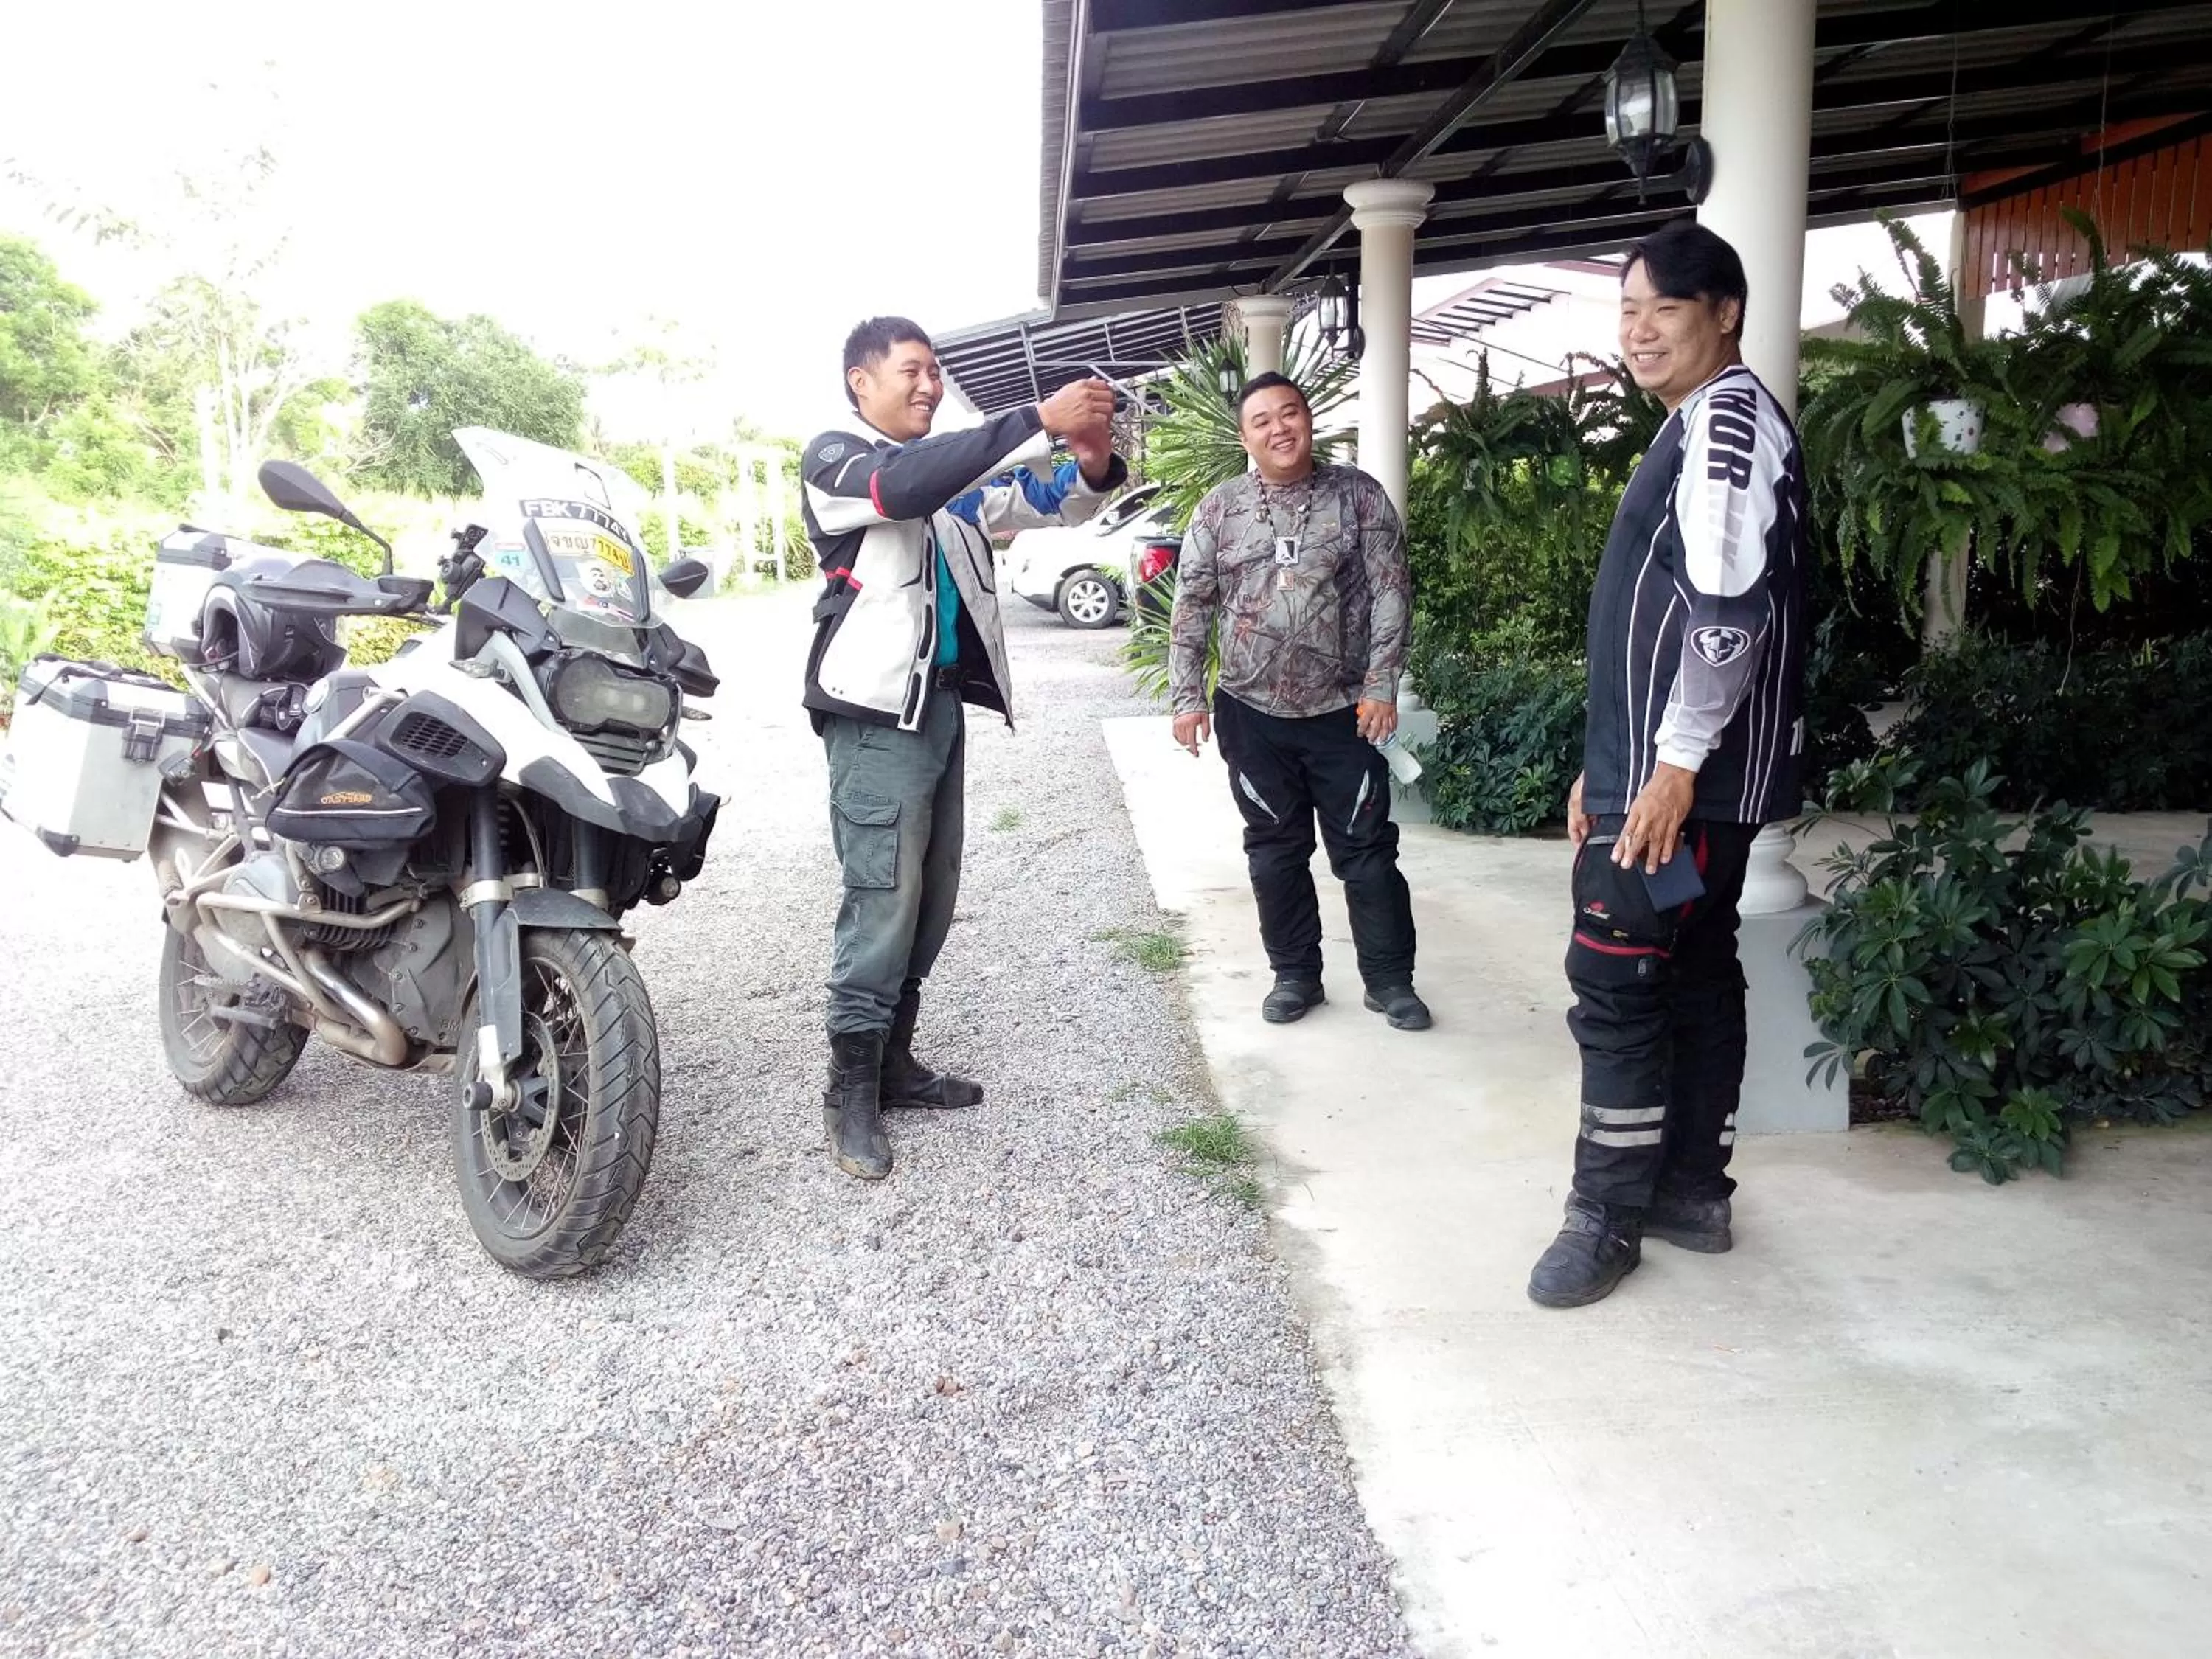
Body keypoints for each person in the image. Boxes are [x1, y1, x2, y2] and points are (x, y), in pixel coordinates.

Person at [1526, 221, 1812, 1309]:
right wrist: (1614, 763)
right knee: (1693, 965)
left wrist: (1672, 765)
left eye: (1665, 310)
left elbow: (1729, 613)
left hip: (1685, 790)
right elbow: (1670, 615)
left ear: (1723, 313)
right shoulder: (1706, 422)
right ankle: (1692, 1188)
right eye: (1628, 312)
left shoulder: (1725, 426)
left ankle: (1606, 1213)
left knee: (1615, 971)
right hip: (1668, 778)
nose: (1640, 331)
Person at [800, 317, 1123, 1180]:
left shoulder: (952, 484)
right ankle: (849, 1094)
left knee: (931, 899)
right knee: (883, 898)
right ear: (860, 381)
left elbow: (1053, 501)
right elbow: (899, 490)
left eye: (936, 372)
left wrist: (1088, 457)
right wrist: (1037, 419)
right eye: (912, 370)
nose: (930, 385)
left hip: (937, 713)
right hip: (875, 723)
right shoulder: (839, 462)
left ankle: (895, 1064)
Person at [1167, 372, 1427, 1032]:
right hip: (1250, 715)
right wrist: (1186, 698)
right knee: (1274, 851)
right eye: (1263, 420)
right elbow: (1193, 603)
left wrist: (1381, 685)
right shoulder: (1219, 508)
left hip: (1346, 713)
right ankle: (1295, 976)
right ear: (1244, 435)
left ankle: (1391, 981)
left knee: (1367, 852)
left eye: (1290, 414)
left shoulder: (1358, 496)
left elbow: (1392, 591)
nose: (1279, 429)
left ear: (1309, 420)